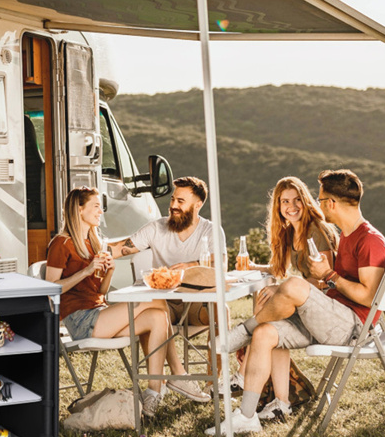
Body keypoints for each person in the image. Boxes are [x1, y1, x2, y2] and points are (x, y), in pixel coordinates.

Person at [205, 169, 385, 435]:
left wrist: (328, 275)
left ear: (332, 204)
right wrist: (328, 279)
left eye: (320, 198)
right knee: (266, 332)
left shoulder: (369, 240)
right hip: (332, 314)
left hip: (352, 327)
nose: (317, 203)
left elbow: (368, 297)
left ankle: (241, 331)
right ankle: (250, 415)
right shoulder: (349, 235)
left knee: (292, 285)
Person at [45, 186, 208, 418]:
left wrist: (109, 271)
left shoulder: (93, 243)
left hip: (99, 312)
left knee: (158, 316)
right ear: (79, 210)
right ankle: (178, 375)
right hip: (81, 321)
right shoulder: (61, 243)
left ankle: (153, 392)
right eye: (95, 206)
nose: (101, 211)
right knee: (155, 299)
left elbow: (100, 290)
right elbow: (51, 289)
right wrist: (86, 271)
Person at [221, 176, 338, 397]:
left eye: (296, 200)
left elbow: (325, 279)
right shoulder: (290, 232)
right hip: (306, 299)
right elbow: (278, 269)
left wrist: (283, 291)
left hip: (325, 305)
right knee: (266, 305)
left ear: (305, 201)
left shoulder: (317, 230)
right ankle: (273, 394)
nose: (291, 207)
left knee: (269, 308)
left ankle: (243, 370)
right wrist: (253, 266)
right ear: (278, 205)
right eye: (285, 201)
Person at [110, 176, 226, 397]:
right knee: (152, 305)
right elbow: (120, 249)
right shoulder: (156, 228)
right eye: (173, 199)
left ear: (197, 205)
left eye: (181, 201)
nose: (173, 205)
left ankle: (214, 382)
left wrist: (190, 266)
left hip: (194, 304)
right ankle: (160, 384)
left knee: (222, 311)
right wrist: (86, 245)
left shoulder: (210, 231)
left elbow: (219, 265)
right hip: (164, 304)